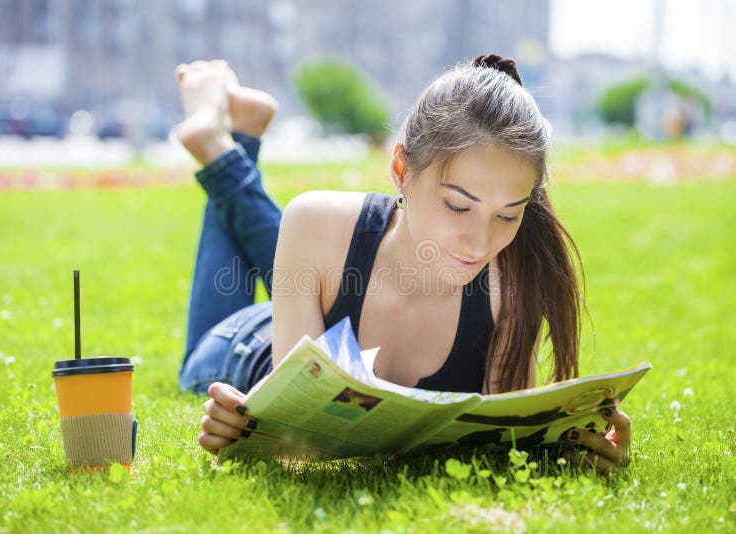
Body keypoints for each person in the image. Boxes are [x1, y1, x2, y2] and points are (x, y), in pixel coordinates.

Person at [174, 55, 632, 473]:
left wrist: (576, 450)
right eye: (458, 206)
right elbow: (295, 433)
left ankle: (232, 143)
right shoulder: (314, 218)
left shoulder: (510, 284)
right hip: (239, 342)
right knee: (202, 353)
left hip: (325, 286)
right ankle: (221, 148)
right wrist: (242, 427)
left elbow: (509, 443)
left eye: (508, 215)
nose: (479, 243)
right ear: (401, 171)